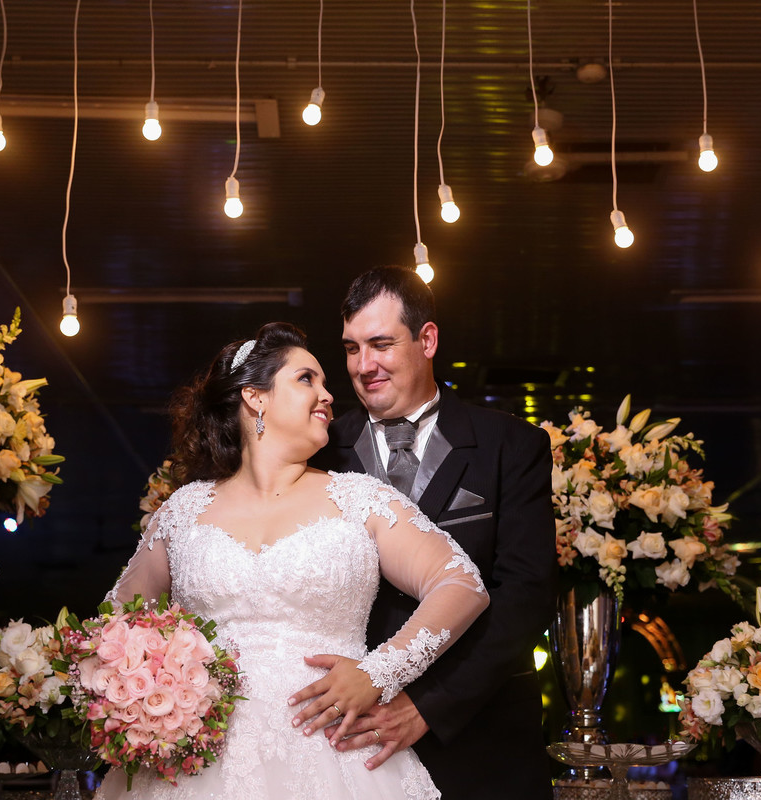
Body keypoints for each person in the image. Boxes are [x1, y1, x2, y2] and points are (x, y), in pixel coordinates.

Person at [97, 322, 489, 800]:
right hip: (199, 758)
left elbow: (462, 582)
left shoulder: (357, 499)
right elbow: (114, 627)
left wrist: (378, 672)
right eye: (307, 379)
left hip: (332, 754)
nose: (327, 395)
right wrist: (154, 688)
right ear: (254, 397)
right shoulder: (183, 511)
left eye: (326, 383)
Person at [313, 266, 558, 799]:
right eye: (352, 348)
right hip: (352, 745)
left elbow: (527, 596)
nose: (363, 366)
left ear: (427, 339)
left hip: (482, 738)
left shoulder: (510, 446)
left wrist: (429, 706)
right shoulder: (317, 453)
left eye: (381, 344)